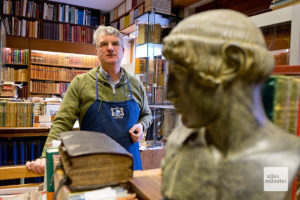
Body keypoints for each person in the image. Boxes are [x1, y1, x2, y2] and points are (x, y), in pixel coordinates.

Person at [161, 9, 300, 200]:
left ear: (232, 63)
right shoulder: (178, 144)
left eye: (180, 74)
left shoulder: (286, 157)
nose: (170, 94)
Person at [26, 26, 152, 173]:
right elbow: (62, 122)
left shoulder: (136, 85)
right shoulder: (81, 83)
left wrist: (142, 126)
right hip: (93, 170)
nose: (110, 48)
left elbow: (147, 114)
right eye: (104, 44)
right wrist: (45, 155)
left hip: (131, 167)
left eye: (115, 43)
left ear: (123, 50)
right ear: (97, 51)